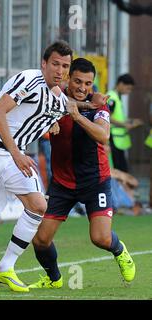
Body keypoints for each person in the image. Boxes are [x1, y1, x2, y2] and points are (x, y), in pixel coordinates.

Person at [0, 41, 106, 292]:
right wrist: (16, 152)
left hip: (10, 157)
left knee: (39, 205)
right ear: (43, 63)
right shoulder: (29, 80)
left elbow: (70, 106)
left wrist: (93, 104)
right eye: (55, 64)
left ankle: (6, 267)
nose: (60, 71)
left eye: (65, 66)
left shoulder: (56, 95)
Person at [29, 58, 136, 289]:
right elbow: (36, 118)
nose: (82, 87)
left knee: (100, 238)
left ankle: (120, 250)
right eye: (77, 81)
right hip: (62, 183)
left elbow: (103, 135)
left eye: (88, 83)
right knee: (40, 240)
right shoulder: (55, 98)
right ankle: (54, 278)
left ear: (93, 84)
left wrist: (76, 116)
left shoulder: (98, 104)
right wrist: (47, 124)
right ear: (68, 79)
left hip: (95, 182)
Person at [107, 74, 143, 172]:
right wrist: (126, 125)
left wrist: (131, 121)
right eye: (128, 88)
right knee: (119, 169)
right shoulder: (112, 98)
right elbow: (107, 117)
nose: (128, 92)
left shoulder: (117, 97)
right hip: (113, 138)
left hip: (118, 139)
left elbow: (118, 117)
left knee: (122, 168)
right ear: (121, 84)